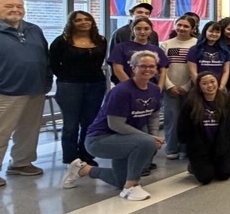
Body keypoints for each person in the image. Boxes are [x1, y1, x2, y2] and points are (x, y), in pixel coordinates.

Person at [62, 51, 163, 200]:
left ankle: (83, 169)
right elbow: (115, 124)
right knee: (146, 143)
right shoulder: (121, 91)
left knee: (119, 180)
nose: (147, 69)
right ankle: (131, 187)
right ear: (133, 68)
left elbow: (154, 115)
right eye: (142, 66)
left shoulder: (154, 90)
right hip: (100, 139)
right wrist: (149, 137)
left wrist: (155, 135)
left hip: (125, 138)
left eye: (151, 66)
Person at [0, 0, 52, 188]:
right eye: (9, 6)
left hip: (34, 89)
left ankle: (21, 163)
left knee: (29, 131)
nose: (15, 9)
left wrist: (47, 81)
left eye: (19, 6)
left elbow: (45, 56)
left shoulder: (33, 29)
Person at [50, 11, 107, 167]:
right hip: (70, 86)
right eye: (79, 20)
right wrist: (67, 77)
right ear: (72, 23)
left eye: (87, 19)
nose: (84, 22)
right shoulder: (61, 41)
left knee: (90, 122)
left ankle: (86, 156)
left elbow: (98, 62)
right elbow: (53, 64)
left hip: (96, 84)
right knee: (71, 123)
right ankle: (71, 158)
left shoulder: (101, 40)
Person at [177, 72, 230, 184]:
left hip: (220, 146)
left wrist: (228, 143)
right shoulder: (190, 102)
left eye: (212, 81)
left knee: (224, 174)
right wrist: (190, 146)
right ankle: (194, 165)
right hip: (199, 147)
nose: (209, 86)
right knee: (206, 178)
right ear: (199, 87)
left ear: (217, 83)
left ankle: (214, 162)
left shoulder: (227, 100)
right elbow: (183, 126)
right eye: (204, 83)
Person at [160, 16, 199, 160]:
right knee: (172, 119)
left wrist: (186, 86)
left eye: (186, 26)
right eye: (179, 25)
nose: (182, 28)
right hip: (170, 88)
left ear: (192, 29)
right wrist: (169, 86)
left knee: (188, 118)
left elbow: (196, 68)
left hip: (190, 88)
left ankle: (185, 148)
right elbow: (162, 68)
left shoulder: (196, 44)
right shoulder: (166, 44)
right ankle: (171, 148)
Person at [108, 18, 169, 84]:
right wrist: (131, 87)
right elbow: (118, 70)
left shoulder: (157, 50)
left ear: (151, 31)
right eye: (138, 29)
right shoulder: (121, 47)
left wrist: (158, 89)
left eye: (146, 29)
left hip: (150, 89)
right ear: (132, 30)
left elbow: (163, 71)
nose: (142, 32)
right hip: (126, 89)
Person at [188, 21, 230, 90]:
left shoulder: (225, 51)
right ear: (205, 32)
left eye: (217, 32)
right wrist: (201, 87)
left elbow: (226, 71)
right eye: (211, 31)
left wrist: (221, 87)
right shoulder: (194, 50)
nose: (214, 34)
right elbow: (193, 72)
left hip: (219, 88)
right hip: (199, 88)